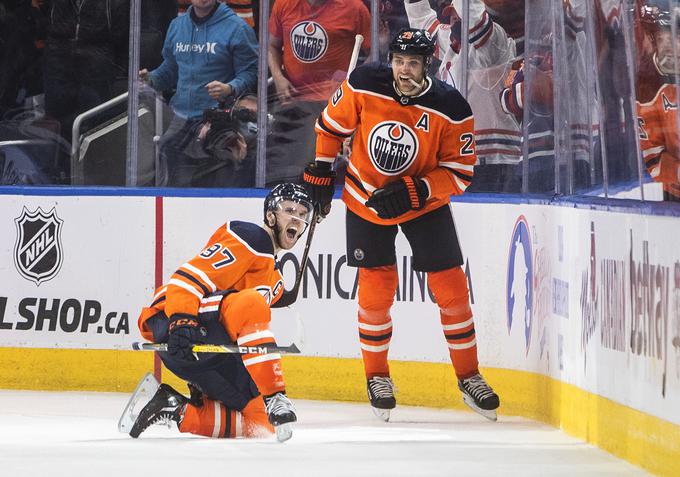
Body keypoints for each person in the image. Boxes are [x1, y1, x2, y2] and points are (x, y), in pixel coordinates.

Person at [303, 28, 500, 421]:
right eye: (398, 61)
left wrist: (417, 191)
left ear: (428, 65)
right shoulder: (363, 83)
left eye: (412, 63)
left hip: (423, 204)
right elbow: (330, 127)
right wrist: (322, 171)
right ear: (389, 60)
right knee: (376, 291)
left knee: (452, 289)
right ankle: (377, 376)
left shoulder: (452, 108)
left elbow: (460, 173)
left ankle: (469, 376)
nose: (403, 70)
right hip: (366, 198)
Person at [127, 183, 314, 442]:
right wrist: (181, 319)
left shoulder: (274, 276)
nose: (297, 218)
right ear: (271, 215)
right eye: (290, 210)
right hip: (175, 322)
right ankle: (276, 396)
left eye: (303, 214)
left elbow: (253, 313)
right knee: (251, 304)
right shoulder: (251, 238)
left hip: (210, 348)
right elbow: (188, 277)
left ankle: (174, 407)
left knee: (261, 423)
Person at [405, 0, 522, 192]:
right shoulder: (452, 45)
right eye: (452, 16)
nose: (455, 20)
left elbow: (474, 17)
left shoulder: (495, 41)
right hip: (460, 159)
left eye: (459, 15)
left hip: (493, 161)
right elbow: (423, 25)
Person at [139, 0, 258, 187]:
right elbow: (170, 70)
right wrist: (151, 79)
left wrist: (230, 87)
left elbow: (251, 72)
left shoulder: (237, 28)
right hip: (179, 121)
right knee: (171, 188)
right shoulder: (177, 26)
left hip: (218, 123)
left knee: (214, 186)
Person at [266, 0, 371, 186]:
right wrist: (278, 78)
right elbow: (272, 46)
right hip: (291, 102)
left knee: (316, 170)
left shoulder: (355, 9)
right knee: (282, 171)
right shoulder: (284, 4)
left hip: (332, 106)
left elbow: (373, 53)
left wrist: (349, 86)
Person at [636, 4, 680, 201]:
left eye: (675, 37)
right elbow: (654, 161)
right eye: (662, 38)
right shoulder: (648, 85)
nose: (669, 46)